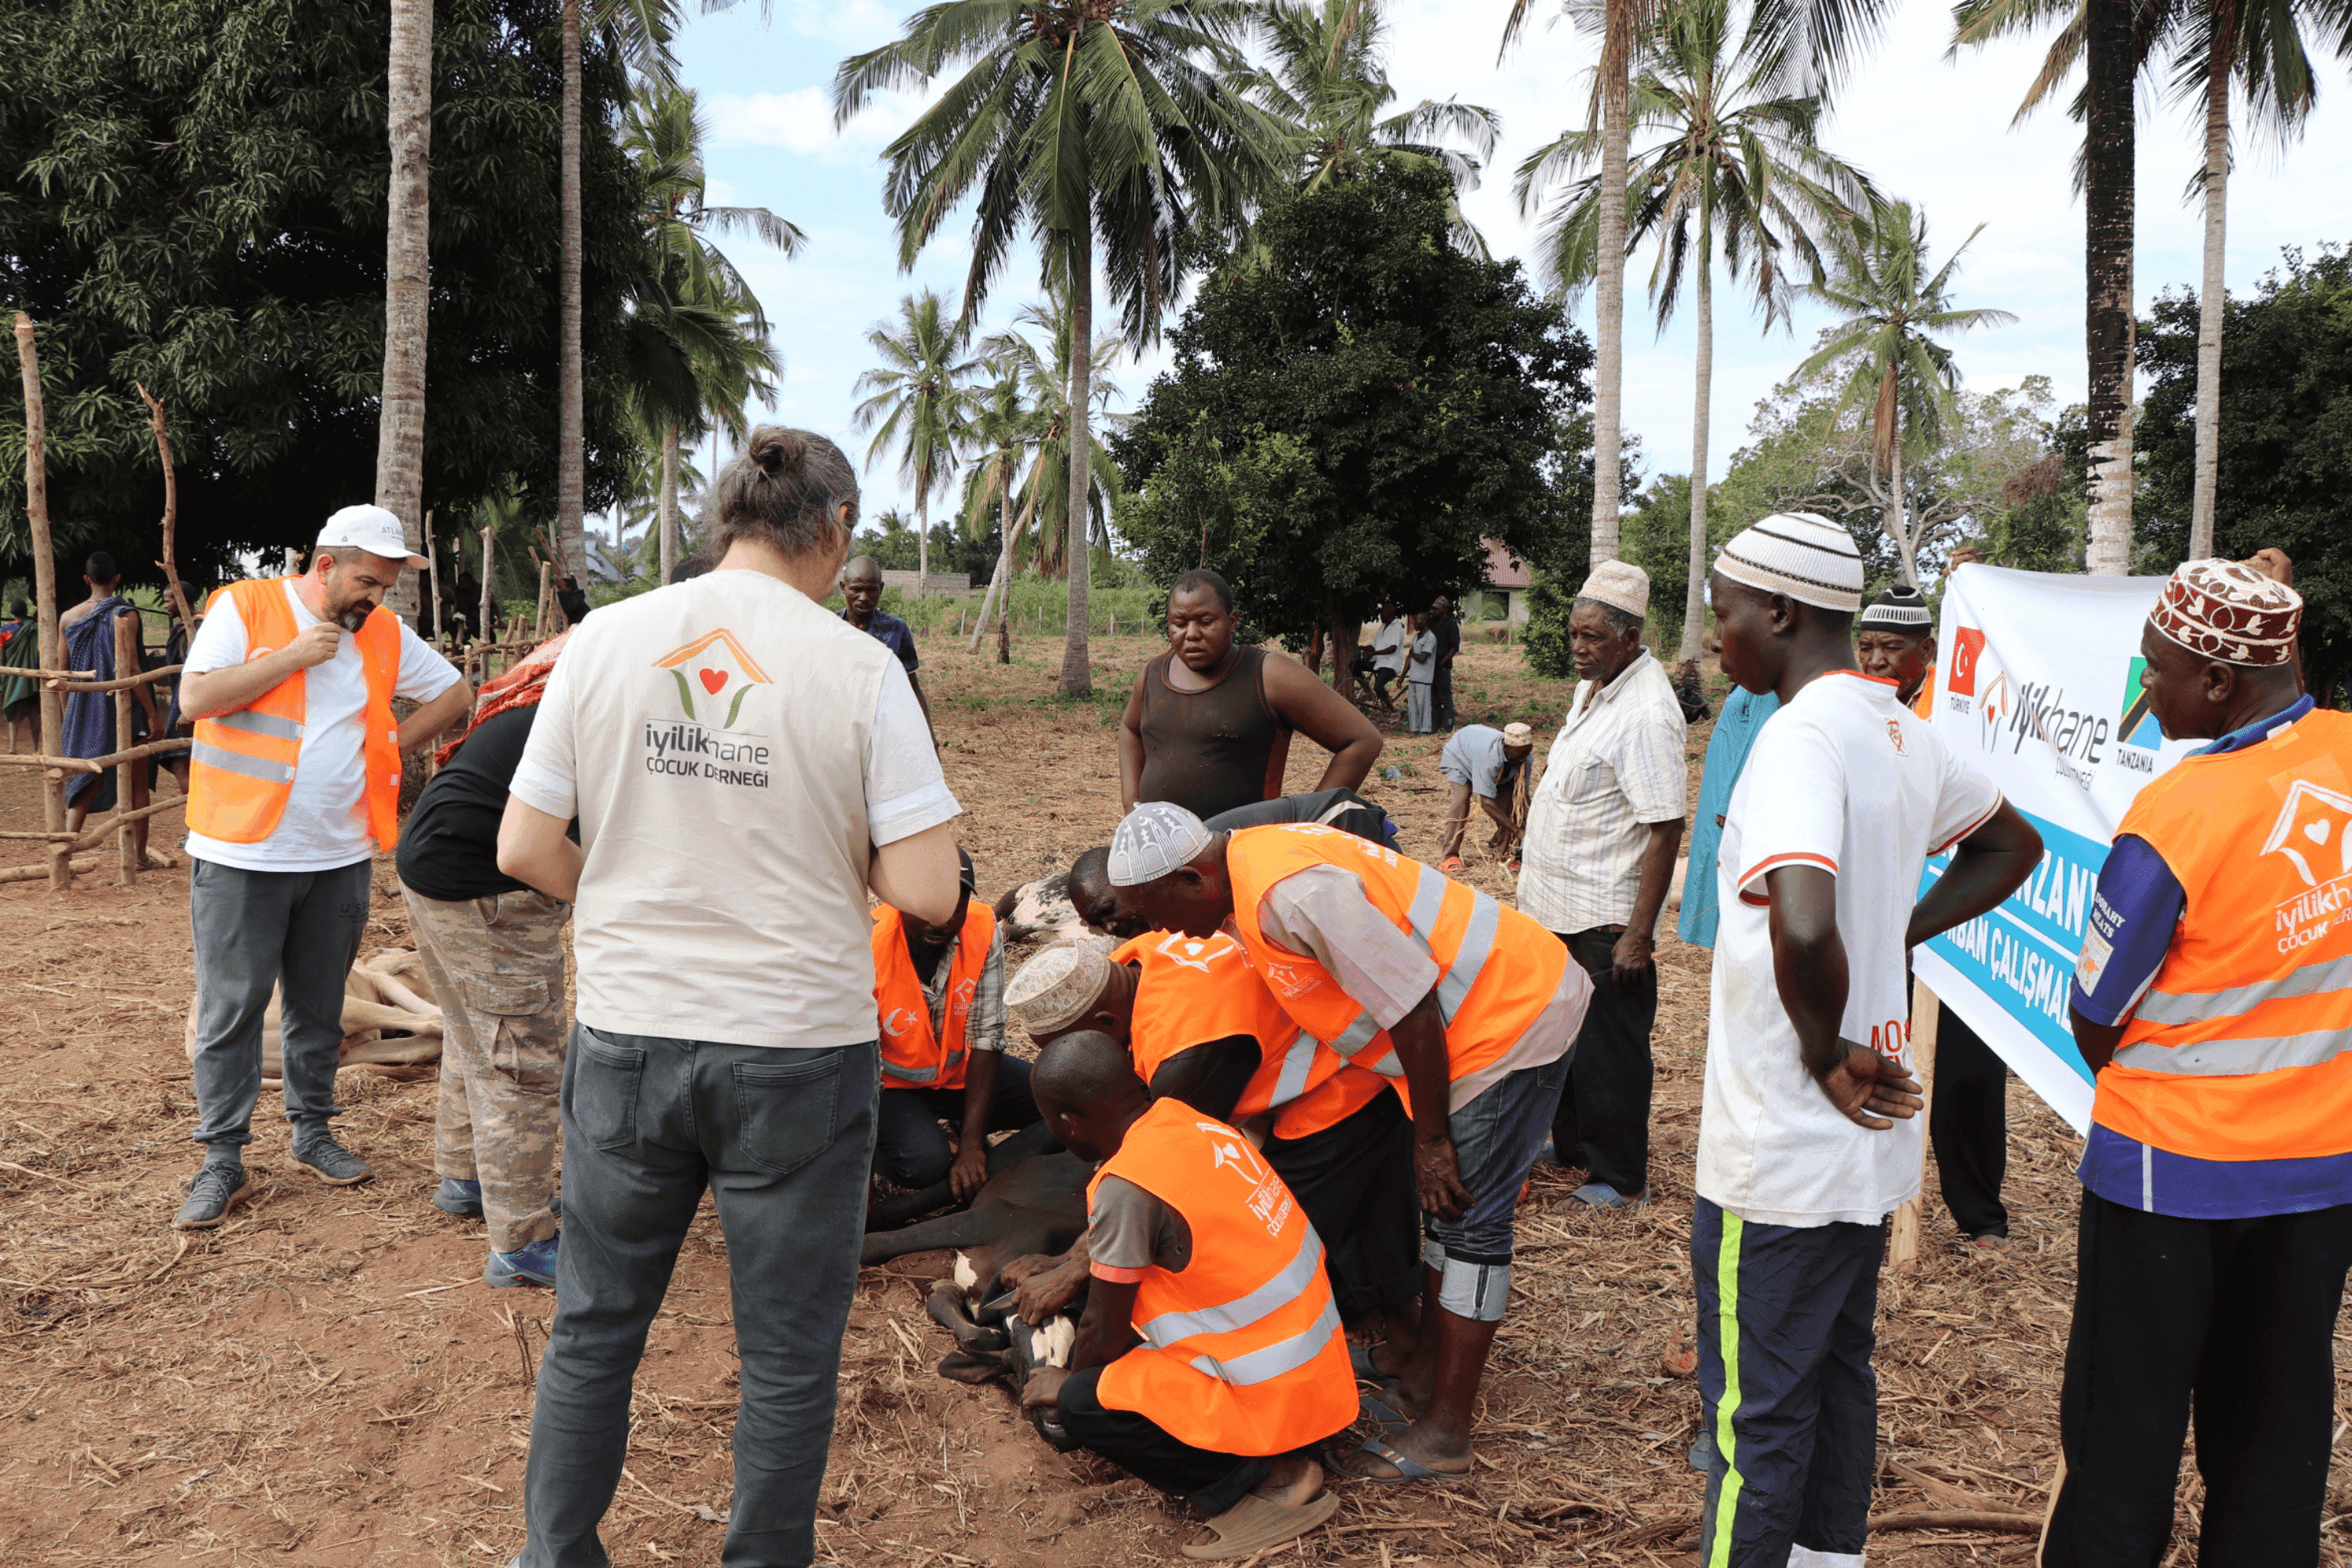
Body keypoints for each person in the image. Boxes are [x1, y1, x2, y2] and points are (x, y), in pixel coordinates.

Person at [494, 426, 963, 1568]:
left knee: (595, 1330)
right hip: (796, 1049)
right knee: (791, 1351)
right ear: (836, 529)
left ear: (726, 520)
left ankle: (554, 1557)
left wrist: (616, 900)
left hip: (628, 1039)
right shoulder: (859, 668)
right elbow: (930, 890)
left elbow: (521, 844)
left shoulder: (604, 639)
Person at [1690, 514, 2040, 1568]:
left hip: (1782, 1149)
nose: (1718, 638)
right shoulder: (1899, 727)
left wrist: (1819, 1051)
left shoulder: (1798, 738)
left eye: (1725, 613)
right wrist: (1892, 931)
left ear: (1782, 612)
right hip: (1863, 1150)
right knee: (1838, 1377)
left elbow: (1801, 918)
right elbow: (2010, 845)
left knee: (1753, 1422)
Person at [1110, 804, 1591, 1484]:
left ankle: (1447, 1431)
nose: (1160, 931)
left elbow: (1413, 1005)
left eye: (1154, 910)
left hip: (1503, 1025)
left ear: (1191, 879)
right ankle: (1423, 1375)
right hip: (1468, 1029)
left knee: (1473, 1228)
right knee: (1447, 1218)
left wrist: (1429, 1142)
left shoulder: (1293, 893)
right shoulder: (1251, 868)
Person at [2046, 559, 2352, 1568]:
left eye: (2157, 672)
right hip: (2321, 1176)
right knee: (2275, 1440)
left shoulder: (2177, 813)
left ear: (2219, 683)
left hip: (2164, 1180)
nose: (2145, 693)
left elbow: (2096, 1011)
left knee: (2121, 1436)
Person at [173, 507, 474, 1229]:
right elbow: (195, 699)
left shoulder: (386, 634)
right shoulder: (244, 606)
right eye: (368, 580)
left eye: (389, 583)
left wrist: (394, 746)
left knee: (319, 1006)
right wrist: (294, 657)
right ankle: (222, 1158)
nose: (377, 596)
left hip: (340, 852)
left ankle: (312, 1133)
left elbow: (456, 693)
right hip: (242, 847)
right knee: (231, 1010)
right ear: (325, 565)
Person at [1018, 1032, 1354, 1563]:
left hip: (1270, 1390)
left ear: (1068, 1124)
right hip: (1317, 1368)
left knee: (1087, 1403)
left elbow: (1102, 1332)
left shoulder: (1127, 1187)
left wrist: (1067, 1387)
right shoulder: (1184, 1120)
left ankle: (1271, 1481)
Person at [1004, 929, 1419, 1350]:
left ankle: (1394, 1332)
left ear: (1106, 1023)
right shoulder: (1137, 957)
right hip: (1298, 1067)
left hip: (1337, 1092)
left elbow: (1159, 1169)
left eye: (1071, 1044)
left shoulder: (1185, 1052)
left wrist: (1074, 1266)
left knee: (1280, 1237)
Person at [396, 632, 575, 1287]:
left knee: (476, 1033)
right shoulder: (605, 713)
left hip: (432, 860)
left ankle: (468, 1178)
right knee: (519, 1053)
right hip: (482, 886)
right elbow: (533, 852)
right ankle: (521, 1241)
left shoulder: (564, 695)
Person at [1516, 561, 1687, 1210]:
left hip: (1603, 912)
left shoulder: (1646, 713)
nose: (1578, 649)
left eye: (1592, 638)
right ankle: (1576, 1145)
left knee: (1610, 1047)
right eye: (1573, 634)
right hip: (1556, 903)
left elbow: (1664, 828)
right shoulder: (1595, 688)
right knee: (1564, 1034)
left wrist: (1638, 934)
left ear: (1629, 637)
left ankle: (1620, 1177)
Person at [1855, 582, 2014, 1252]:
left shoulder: (1960, 713)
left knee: (1969, 1078)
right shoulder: (1854, 715)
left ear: (1927, 650)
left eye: (1891, 647)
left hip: (1961, 922)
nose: (1875, 660)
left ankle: (1979, 1214)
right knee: (1882, 1066)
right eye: (1866, 647)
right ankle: (1881, 1200)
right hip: (1883, 924)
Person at [1118, 568, 1382, 819]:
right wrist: (1132, 806)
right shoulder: (1153, 675)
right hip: (1159, 853)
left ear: (1232, 622)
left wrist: (1308, 824)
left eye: (1205, 622)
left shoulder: (1270, 675)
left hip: (1241, 855)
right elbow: (1130, 730)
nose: (1191, 634)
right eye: (1179, 623)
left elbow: (1362, 740)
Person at [872, 848, 1039, 1199]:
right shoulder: (869, 944)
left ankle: (962, 1128)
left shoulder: (982, 930)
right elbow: (854, 1065)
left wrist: (971, 1147)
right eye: (927, 904)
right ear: (899, 899)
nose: (941, 920)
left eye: (954, 904)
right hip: (891, 1087)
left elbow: (986, 1036)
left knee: (1056, 1099)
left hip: (959, 1075)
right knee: (924, 1166)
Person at [58, 551, 162, 835]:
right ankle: (139, 856)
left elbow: (62, 674)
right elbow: (131, 668)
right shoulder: (125, 613)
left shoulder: (68, 618)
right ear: (117, 580)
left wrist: (69, 715)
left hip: (82, 708)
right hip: (124, 709)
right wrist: (152, 714)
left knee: (85, 782)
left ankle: (67, 844)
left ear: (86, 579)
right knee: (138, 782)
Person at [1676, 686, 1779, 950]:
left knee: (1721, 865)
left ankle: (1723, 937)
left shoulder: (1764, 690)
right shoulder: (1749, 683)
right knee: (1710, 859)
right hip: (1719, 786)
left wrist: (1729, 798)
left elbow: (1754, 741)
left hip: (1727, 795)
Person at [838, 554, 931, 731]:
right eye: (856, 589)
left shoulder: (895, 630)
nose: (864, 597)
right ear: (843, 588)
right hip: (840, 728)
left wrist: (929, 736)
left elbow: (912, 687)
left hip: (883, 728)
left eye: (871, 590)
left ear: (881, 588)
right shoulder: (830, 627)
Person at [1436, 721, 1534, 871]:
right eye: (1520, 755)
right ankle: (1450, 856)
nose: (1523, 759)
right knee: (1462, 798)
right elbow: (1486, 803)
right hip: (1460, 759)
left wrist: (1532, 825)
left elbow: (1522, 797)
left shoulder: (1524, 758)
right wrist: (1517, 831)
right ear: (1506, 748)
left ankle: (1502, 853)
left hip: (1493, 762)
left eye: (1526, 754)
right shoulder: (1489, 759)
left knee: (1511, 802)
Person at [2, 594, 39, 753]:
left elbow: (1, 656)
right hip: (32, 676)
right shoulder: (35, 627)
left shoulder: (5, 630)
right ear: (26, 612)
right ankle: (37, 749)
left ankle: (12, 747)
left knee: (13, 707)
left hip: (12, 676)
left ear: (12, 613)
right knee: (34, 711)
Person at [1426, 597, 1461, 731]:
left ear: (1444, 610)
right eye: (1434, 608)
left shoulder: (1451, 625)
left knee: (1446, 699)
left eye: (1437, 608)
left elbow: (1454, 648)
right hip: (1431, 667)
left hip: (1443, 667)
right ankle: (1435, 727)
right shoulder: (1432, 624)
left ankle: (1448, 728)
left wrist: (1442, 663)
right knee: (1434, 700)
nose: (1434, 611)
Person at [1367, 600, 1407, 714]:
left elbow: (1392, 648)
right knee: (1354, 664)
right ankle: (1367, 690)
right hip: (1379, 662)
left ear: (1390, 613)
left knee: (1379, 687)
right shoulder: (1382, 627)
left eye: (1382, 613)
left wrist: (1373, 653)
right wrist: (1362, 648)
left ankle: (1393, 711)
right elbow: (1373, 646)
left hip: (1390, 664)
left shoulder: (1397, 627)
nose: (1380, 615)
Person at [1403, 617, 1436, 735]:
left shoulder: (1430, 638)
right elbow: (1409, 657)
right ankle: (1414, 729)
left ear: (1424, 622)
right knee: (1413, 706)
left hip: (1424, 678)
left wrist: (1413, 654)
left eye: (1416, 621)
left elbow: (1422, 658)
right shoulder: (1416, 637)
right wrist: (1403, 675)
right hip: (1413, 677)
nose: (1414, 624)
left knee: (1424, 705)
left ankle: (1425, 730)